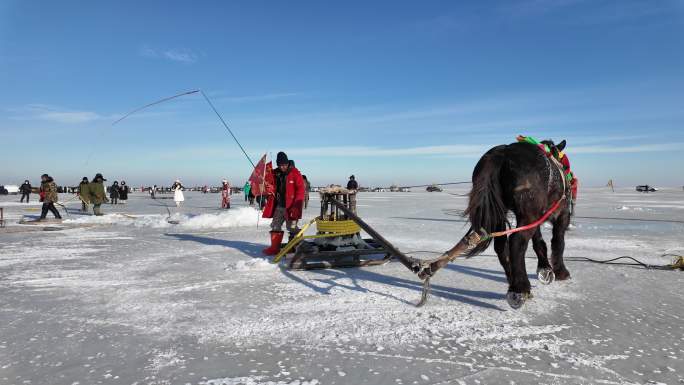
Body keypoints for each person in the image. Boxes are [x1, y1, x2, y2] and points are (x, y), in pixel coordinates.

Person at [262, 151, 305, 255]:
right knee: (275, 225)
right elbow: (269, 183)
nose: (282, 167)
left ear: (287, 163)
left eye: (284, 165)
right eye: (280, 165)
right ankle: (274, 248)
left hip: (291, 206)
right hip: (280, 206)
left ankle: (300, 245)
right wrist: (270, 187)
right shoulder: (275, 173)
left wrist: (296, 207)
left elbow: (301, 190)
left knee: (291, 227)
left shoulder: (295, 173)